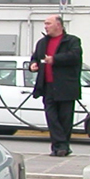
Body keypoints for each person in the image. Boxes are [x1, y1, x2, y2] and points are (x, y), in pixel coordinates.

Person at [29, 13, 83, 156]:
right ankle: (60, 145)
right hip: (47, 86)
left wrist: (55, 59)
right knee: (51, 117)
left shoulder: (72, 41)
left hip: (66, 86)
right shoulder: (42, 43)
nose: (45, 26)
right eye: (45, 24)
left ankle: (61, 147)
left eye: (48, 23)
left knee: (65, 118)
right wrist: (33, 65)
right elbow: (34, 58)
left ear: (58, 25)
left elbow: (74, 57)